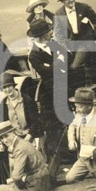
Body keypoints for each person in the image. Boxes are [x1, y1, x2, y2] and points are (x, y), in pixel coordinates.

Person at [27, 18, 70, 155]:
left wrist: (54, 64)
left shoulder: (53, 44)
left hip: (63, 88)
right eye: (48, 31)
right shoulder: (33, 55)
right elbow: (46, 73)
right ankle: (56, 153)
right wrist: (58, 62)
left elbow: (68, 56)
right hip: (49, 94)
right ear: (41, 35)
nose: (51, 32)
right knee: (53, 124)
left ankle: (68, 149)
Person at [53, 0, 96, 89]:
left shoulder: (84, 8)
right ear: (62, 1)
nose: (70, 0)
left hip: (86, 42)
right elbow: (58, 33)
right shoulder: (59, 13)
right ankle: (81, 87)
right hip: (70, 44)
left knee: (75, 66)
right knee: (62, 66)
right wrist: (65, 48)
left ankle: (85, 87)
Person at [0, 121, 52, 191]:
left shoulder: (19, 149)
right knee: (10, 184)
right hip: (44, 182)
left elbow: (16, 177)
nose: (4, 140)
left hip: (35, 188)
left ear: (13, 133)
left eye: (6, 136)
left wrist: (18, 185)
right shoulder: (23, 142)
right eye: (2, 138)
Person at [1, 71, 40, 140]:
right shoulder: (4, 103)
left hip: (31, 136)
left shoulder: (27, 100)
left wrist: (27, 139)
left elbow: (35, 122)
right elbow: (5, 123)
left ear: (13, 86)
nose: (7, 89)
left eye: (9, 86)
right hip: (15, 138)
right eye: (4, 87)